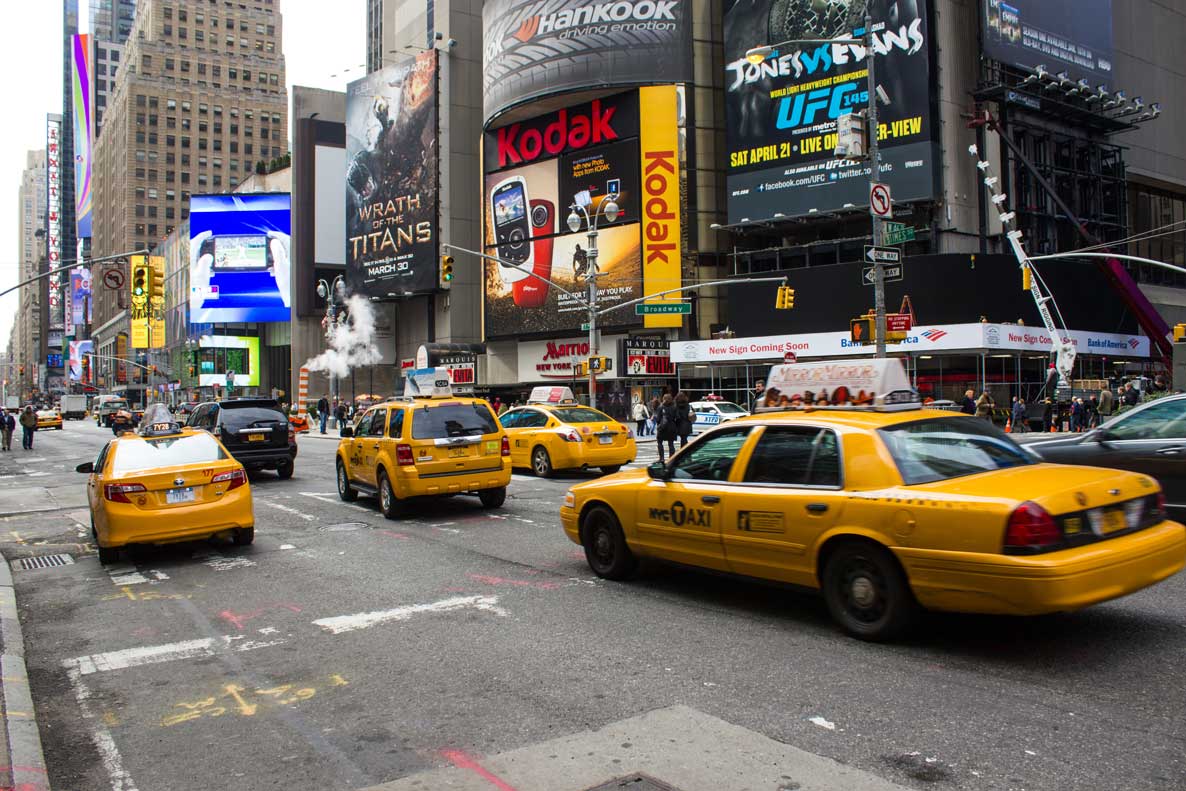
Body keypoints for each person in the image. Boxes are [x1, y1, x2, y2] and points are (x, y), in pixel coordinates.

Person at [655, 394, 677, 463]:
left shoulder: (660, 407)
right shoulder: (674, 407)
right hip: (672, 427)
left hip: (663, 427)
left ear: (663, 399)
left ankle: (661, 458)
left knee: (660, 442)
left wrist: (659, 425)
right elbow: (677, 417)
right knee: (671, 443)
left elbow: (658, 419)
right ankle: (672, 458)